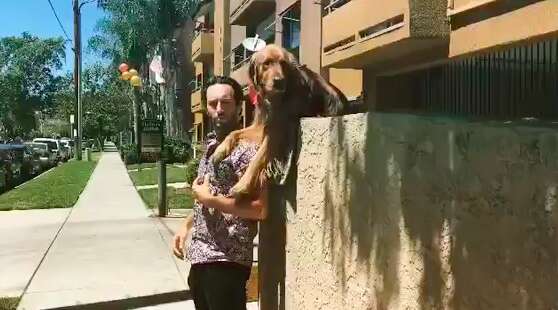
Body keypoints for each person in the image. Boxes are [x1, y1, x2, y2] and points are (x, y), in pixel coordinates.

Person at [173, 76, 268, 310]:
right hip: (200, 259)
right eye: (213, 103)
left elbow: (261, 208)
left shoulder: (251, 148)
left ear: (238, 105)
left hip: (227, 262)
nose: (219, 109)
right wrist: (186, 225)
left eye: (225, 102)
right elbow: (209, 193)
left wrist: (209, 199)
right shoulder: (213, 144)